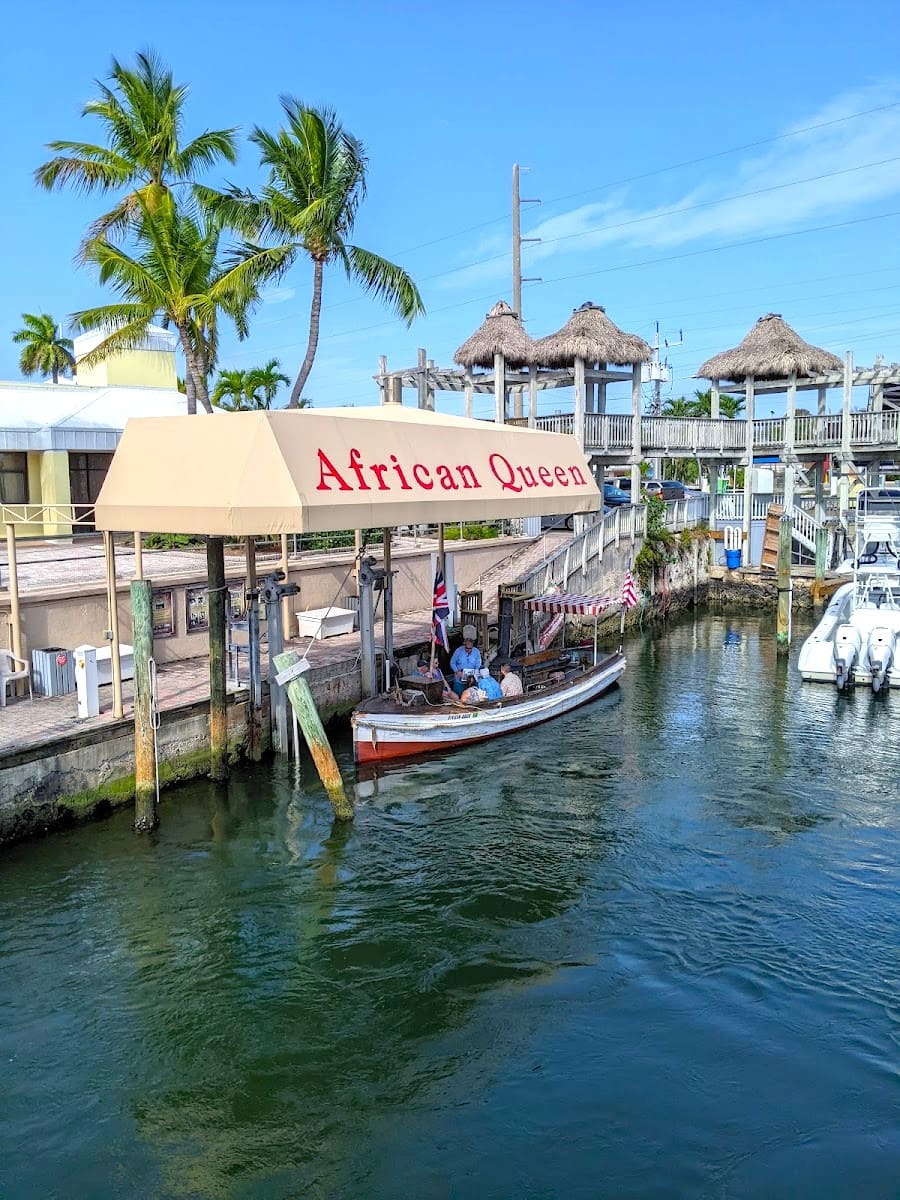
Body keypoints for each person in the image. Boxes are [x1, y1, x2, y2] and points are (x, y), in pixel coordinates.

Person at [449, 625, 482, 696]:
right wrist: (457, 671)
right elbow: (452, 662)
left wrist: (475, 674)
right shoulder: (458, 651)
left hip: (471, 680)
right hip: (459, 679)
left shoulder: (476, 652)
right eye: (467, 648)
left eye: (470, 648)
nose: (468, 650)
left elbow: (478, 664)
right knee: (457, 697)